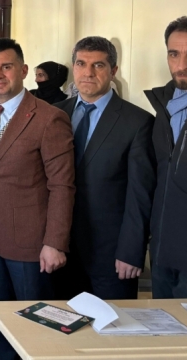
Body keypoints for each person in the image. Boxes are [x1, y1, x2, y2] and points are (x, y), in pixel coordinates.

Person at [0, 38, 74, 360]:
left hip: (32, 244)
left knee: (35, 324)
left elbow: (62, 185)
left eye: (6, 67)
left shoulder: (48, 117)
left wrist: (55, 242)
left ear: (24, 70)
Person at [53, 36, 156, 300]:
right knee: (63, 322)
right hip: (59, 250)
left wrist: (131, 251)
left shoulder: (137, 122)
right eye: (81, 64)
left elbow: (140, 194)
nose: (88, 72)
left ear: (113, 71)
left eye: (98, 65)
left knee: (114, 323)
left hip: (111, 255)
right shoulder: (55, 114)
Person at [145, 15, 187, 298]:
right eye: (174, 54)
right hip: (163, 253)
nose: (182, 65)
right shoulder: (164, 106)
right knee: (163, 325)